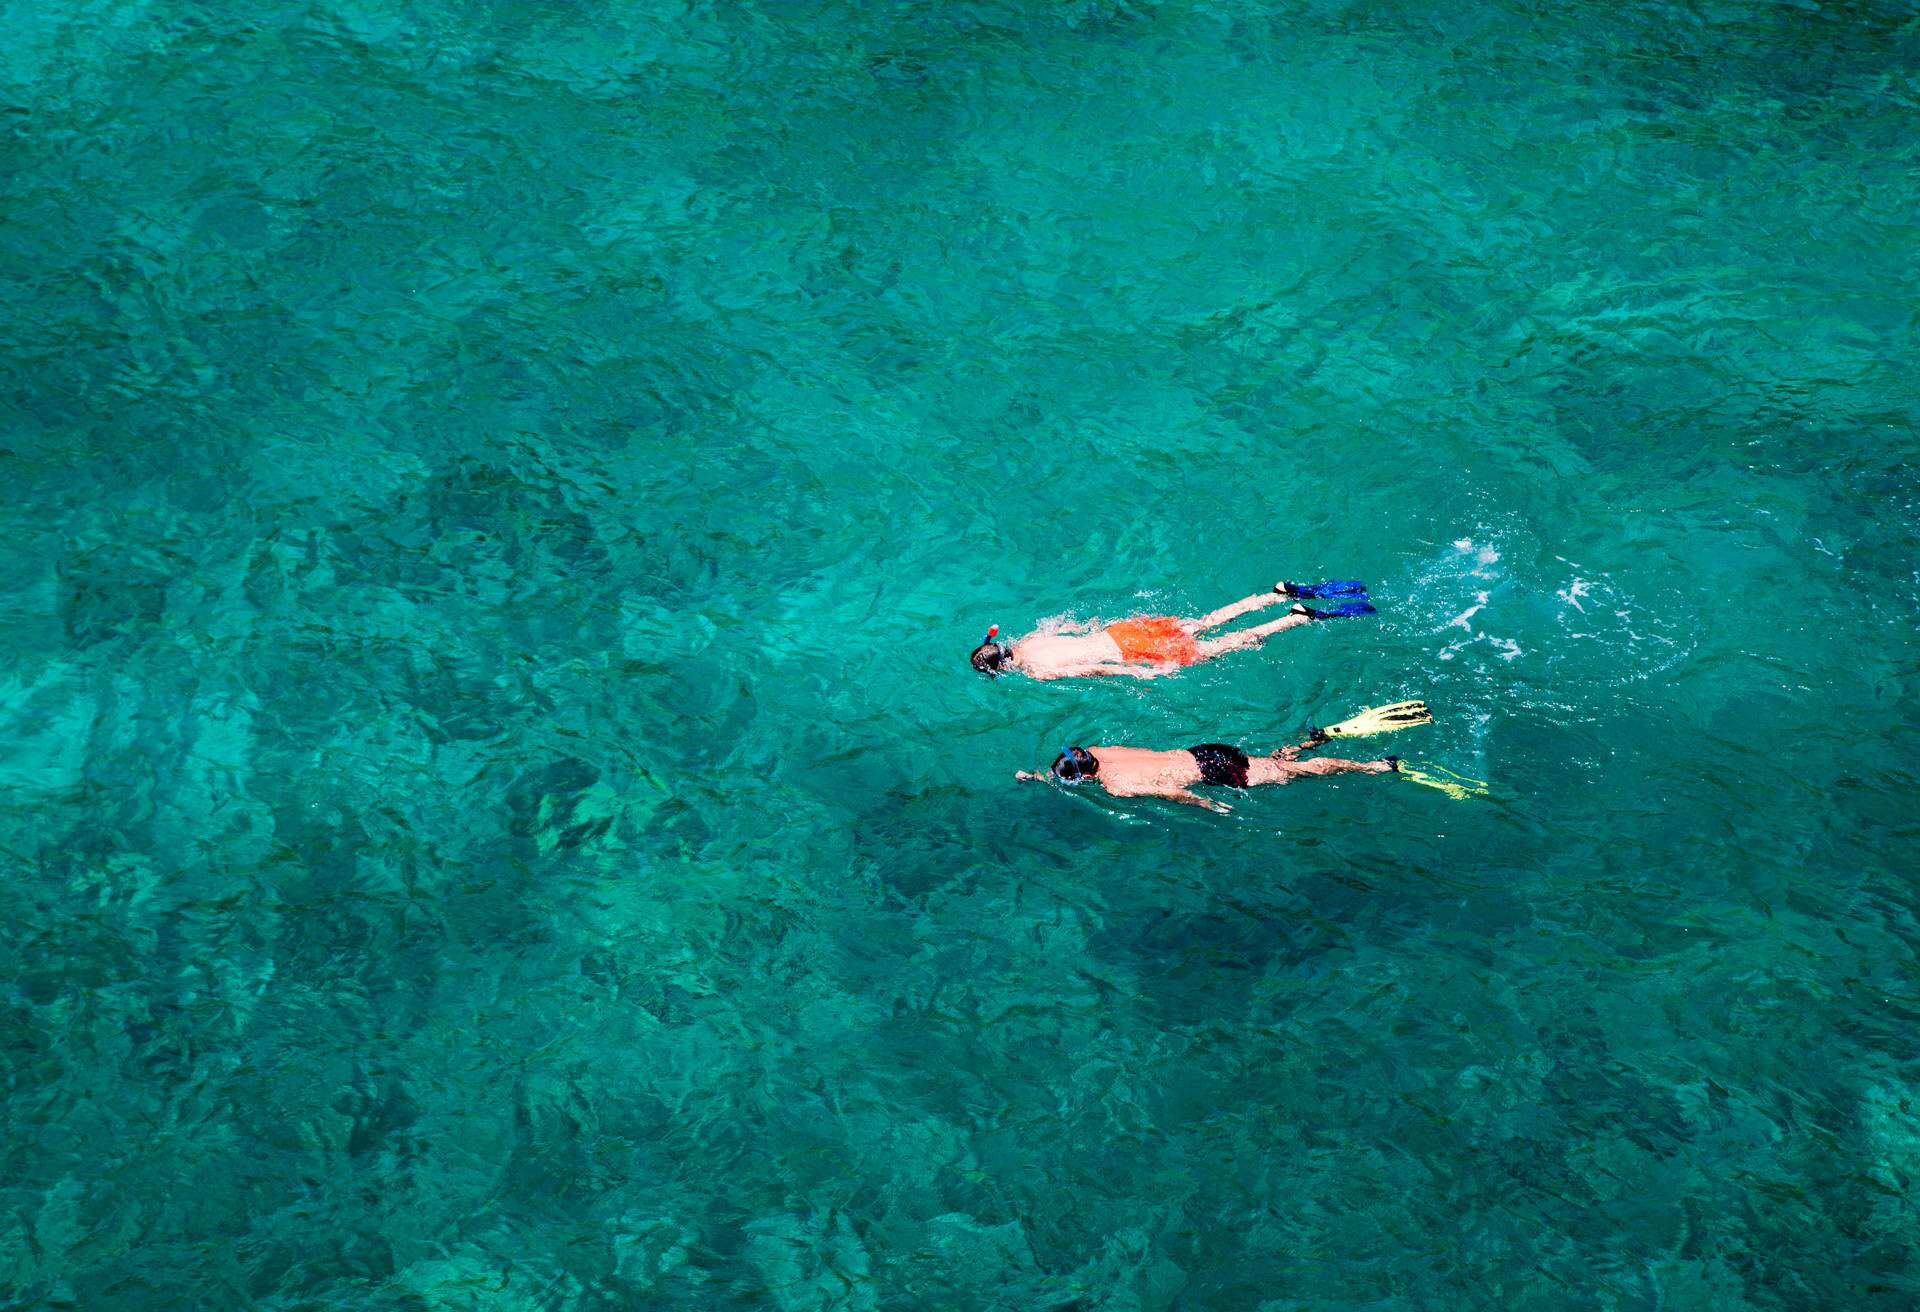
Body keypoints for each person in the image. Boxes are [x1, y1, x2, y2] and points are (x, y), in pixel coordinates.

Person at [969, 581, 1377, 680]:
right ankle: (1273, 594)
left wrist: (1141, 673)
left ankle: (1293, 617)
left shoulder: (1036, 670)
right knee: (1204, 622)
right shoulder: (1029, 639)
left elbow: (1093, 671)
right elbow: (1077, 626)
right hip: (1122, 633)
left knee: (1215, 648)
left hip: (1125, 654)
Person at [1015, 737, 1399, 813]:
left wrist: (1206, 804)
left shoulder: (1117, 788)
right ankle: (1302, 744)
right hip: (1204, 751)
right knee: (1272, 763)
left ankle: (1373, 767)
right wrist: (1037, 776)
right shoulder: (1101, 752)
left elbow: (1171, 794)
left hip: (1212, 771)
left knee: (1294, 775)